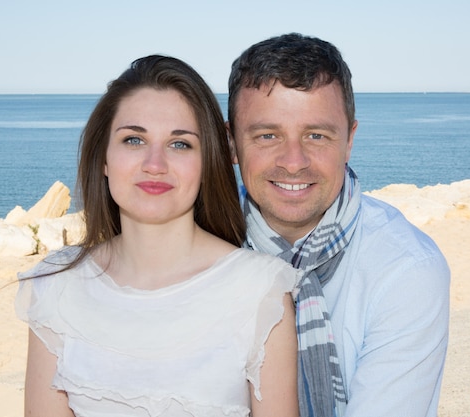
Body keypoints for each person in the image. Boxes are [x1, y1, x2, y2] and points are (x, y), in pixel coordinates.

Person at [15, 55, 301, 417]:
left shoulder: (261, 289)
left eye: (180, 144)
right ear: (104, 157)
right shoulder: (55, 287)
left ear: (206, 161)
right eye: (134, 140)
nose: (155, 163)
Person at [227, 33, 451, 417]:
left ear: (349, 141)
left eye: (317, 135)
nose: (294, 161)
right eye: (268, 135)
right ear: (231, 143)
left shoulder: (406, 269)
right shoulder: (206, 246)